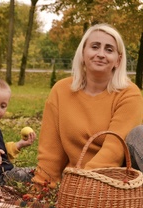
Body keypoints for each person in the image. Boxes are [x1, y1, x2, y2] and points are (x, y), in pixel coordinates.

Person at [31, 23, 143, 189]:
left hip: (119, 180)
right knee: (6, 172)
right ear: (83, 53)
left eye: (109, 49)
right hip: (77, 179)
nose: (100, 54)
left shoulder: (128, 93)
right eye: (95, 47)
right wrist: (43, 186)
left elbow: (114, 151)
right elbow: (51, 150)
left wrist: (81, 181)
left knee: (139, 134)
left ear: (118, 60)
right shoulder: (61, 90)